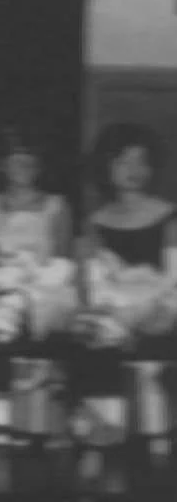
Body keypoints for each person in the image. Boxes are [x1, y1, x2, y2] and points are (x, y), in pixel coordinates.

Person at [0, 138, 75, 347]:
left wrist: (32, 276)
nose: (24, 168)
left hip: (46, 289)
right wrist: (6, 277)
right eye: (16, 161)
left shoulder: (57, 206)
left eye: (29, 162)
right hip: (0, 285)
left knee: (19, 318)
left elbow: (64, 264)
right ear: (2, 166)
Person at [74, 123, 177, 349]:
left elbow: (174, 282)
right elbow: (90, 286)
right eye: (123, 162)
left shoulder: (169, 217)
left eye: (141, 161)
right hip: (109, 313)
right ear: (105, 167)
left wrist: (159, 312)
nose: (134, 169)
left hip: (161, 314)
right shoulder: (94, 223)